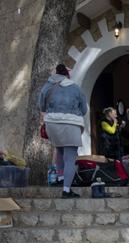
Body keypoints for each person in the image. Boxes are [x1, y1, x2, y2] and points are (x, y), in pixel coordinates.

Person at [38, 64, 87, 198]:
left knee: (59, 151)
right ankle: (66, 190)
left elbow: (41, 105)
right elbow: (84, 110)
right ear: (67, 74)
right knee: (70, 158)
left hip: (52, 125)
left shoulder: (47, 86)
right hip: (71, 124)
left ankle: (60, 178)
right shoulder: (75, 88)